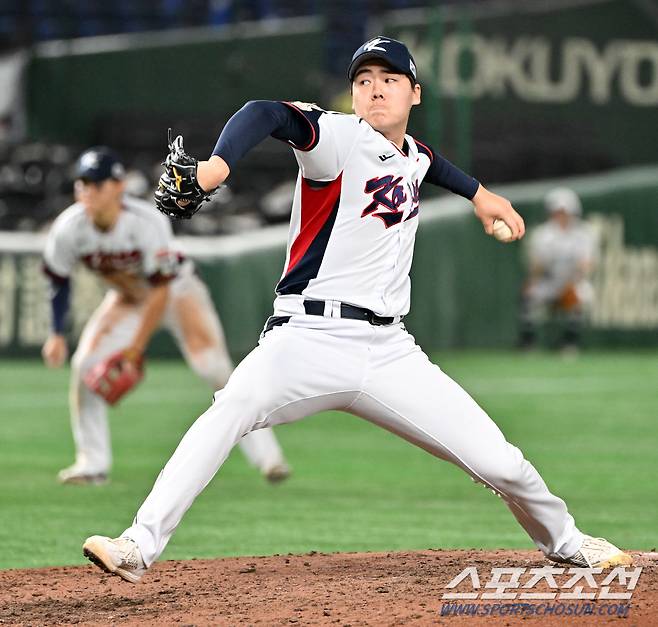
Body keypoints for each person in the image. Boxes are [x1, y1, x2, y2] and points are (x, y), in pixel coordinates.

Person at [82, 38, 631, 583]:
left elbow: (426, 163)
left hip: (390, 351)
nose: (374, 89)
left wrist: (479, 194)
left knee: (500, 461)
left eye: (389, 79)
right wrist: (217, 166)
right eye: (363, 80)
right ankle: (137, 544)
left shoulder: (412, 154)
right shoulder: (338, 138)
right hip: (306, 337)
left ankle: (565, 540)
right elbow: (265, 113)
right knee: (229, 411)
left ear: (415, 93)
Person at [42, 147, 290, 485]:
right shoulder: (69, 228)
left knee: (214, 369)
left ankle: (268, 459)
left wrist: (135, 348)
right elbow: (57, 280)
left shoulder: (145, 221)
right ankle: (92, 463)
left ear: (117, 187)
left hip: (178, 291)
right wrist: (57, 334)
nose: (88, 192)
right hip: (128, 297)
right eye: (82, 184)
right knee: (84, 365)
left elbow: (161, 289)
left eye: (97, 184)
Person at [519, 187, 597, 353]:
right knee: (530, 291)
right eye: (557, 211)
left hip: (572, 280)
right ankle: (528, 342)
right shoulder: (543, 234)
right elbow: (535, 267)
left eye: (565, 212)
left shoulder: (583, 234)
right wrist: (540, 269)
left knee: (583, 293)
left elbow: (587, 264)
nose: (561, 216)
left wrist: (572, 280)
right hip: (548, 281)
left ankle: (570, 343)